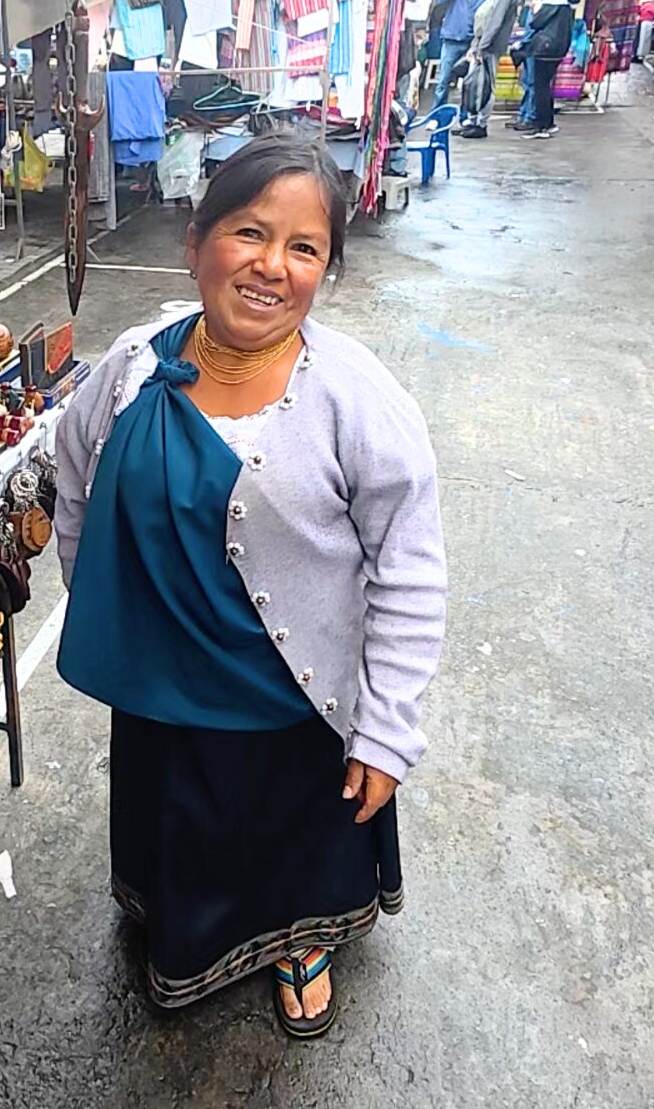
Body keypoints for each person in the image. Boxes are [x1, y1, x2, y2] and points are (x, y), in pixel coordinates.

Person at [53, 135, 447, 1038]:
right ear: (196, 242)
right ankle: (179, 923)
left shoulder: (355, 399)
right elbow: (74, 481)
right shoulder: (131, 368)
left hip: (293, 710)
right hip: (161, 700)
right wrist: (109, 609)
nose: (273, 266)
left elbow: (409, 572)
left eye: (305, 248)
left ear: (326, 271)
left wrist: (386, 731)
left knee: (291, 843)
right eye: (250, 233)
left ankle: (301, 938)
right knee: (176, 828)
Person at [459, 0, 524, 138]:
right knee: (476, 83)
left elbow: (495, 20)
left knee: (485, 84)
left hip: (490, 46)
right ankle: (474, 121)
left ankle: (480, 124)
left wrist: (482, 46)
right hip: (486, 44)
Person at [431, 0, 495, 107]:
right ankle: (437, 113)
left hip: (473, 39)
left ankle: (465, 115)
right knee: (443, 80)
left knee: (470, 81)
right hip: (452, 36)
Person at [520, 0, 577, 139]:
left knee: (540, 87)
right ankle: (548, 123)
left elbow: (537, 22)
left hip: (546, 47)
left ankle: (540, 126)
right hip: (559, 47)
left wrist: (537, 9)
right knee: (546, 85)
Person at [511, 0, 558, 131]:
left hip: (535, 39)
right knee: (528, 80)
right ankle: (525, 115)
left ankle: (529, 116)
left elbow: (536, 16)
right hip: (534, 38)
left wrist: (527, 38)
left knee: (531, 81)